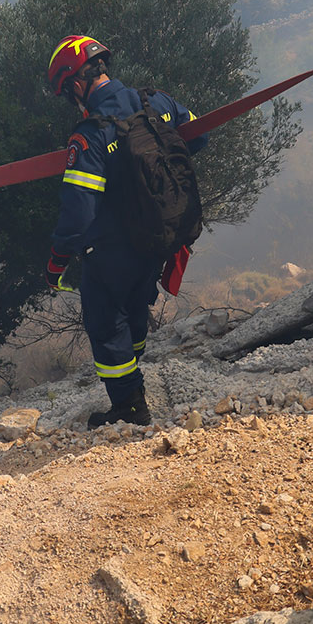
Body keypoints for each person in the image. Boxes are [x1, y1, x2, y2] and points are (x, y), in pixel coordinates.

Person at [44, 35, 206, 428]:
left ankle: (130, 406)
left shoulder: (90, 135)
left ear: (76, 84)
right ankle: (134, 376)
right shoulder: (156, 102)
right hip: (158, 237)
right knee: (134, 307)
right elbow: (198, 136)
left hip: (114, 249)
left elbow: (79, 213)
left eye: (68, 92)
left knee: (105, 321)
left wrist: (58, 261)